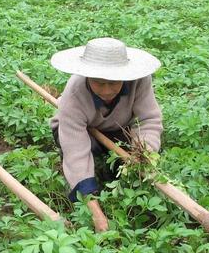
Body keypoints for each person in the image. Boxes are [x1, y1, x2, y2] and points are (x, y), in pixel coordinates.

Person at [49, 37, 163, 232]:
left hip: (118, 127)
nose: (107, 90)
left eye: (113, 83)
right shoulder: (73, 97)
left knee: (130, 161)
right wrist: (96, 213)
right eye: (100, 83)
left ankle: (115, 171)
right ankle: (87, 187)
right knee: (85, 156)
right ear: (87, 76)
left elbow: (149, 120)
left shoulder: (139, 81)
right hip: (77, 131)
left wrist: (144, 148)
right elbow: (76, 154)